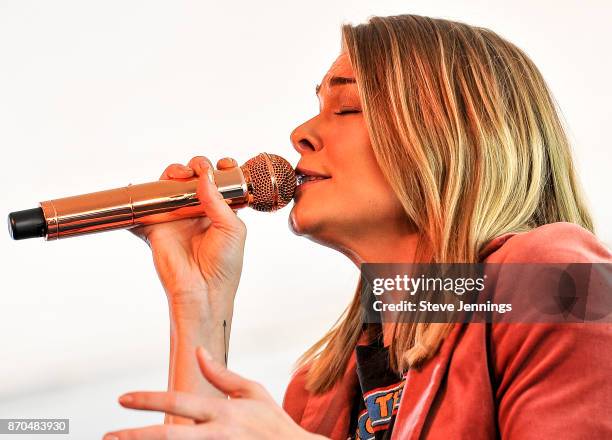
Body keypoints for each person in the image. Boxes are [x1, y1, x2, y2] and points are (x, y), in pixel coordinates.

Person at [103, 14, 612, 440]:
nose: (300, 134)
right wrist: (200, 304)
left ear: (457, 138)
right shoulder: (319, 389)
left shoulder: (555, 276)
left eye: (348, 108)